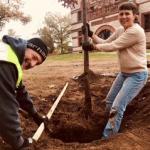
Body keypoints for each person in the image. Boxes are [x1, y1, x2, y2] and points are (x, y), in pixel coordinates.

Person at [82, 2, 148, 139]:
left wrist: (93, 47)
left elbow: (114, 46)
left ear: (135, 16)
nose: (123, 16)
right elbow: (105, 42)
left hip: (137, 75)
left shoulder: (136, 31)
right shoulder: (120, 30)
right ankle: (106, 125)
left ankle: (107, 138)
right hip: (124, 74)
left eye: (127, 14)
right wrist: (91, 34)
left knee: (117, 107)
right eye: (121, 14)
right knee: (110, 101)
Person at [0, 35, 48, 149]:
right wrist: (19, 142)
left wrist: (35, 115)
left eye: (37, 63)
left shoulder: (13, 58)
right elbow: (5, 107)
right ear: (28, 46)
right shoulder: (6, 62)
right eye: (34, 57)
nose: (32, 64)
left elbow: (20, 92)